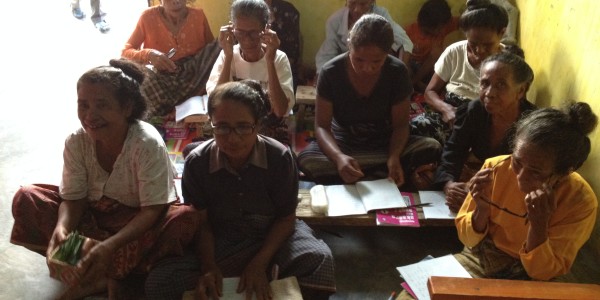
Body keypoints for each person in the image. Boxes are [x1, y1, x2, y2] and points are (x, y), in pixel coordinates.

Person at [9, 59, 199, 299]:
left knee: (184, 220)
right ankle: (102, 276)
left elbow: (152, 210)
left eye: (102, 105)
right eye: (83, 105)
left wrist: (110, 246)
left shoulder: (146, 143)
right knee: (27, 198)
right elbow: (74, 198)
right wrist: (62, 228)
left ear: (127, 107)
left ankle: (106, 276)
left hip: (137, 223)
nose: (90, 115)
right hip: (93, 217)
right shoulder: (77, 142)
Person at [145, 82, 336, 300]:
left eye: (244, 127)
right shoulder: (198, 162)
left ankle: (258, 273)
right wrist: (209, 267)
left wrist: (258, 263)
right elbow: (202, 223)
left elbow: (285, 219)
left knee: (319, 259)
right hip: (220, 239)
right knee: (159, 281)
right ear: (211, 125)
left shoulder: (279, 158)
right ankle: (261, 277)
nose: (233, 138)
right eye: (223, 127)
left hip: (270, 234)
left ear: (258, 125)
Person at [453, 101, 598, 281]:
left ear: (565, 172)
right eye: (517, 162)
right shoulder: (494, 169)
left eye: (536, 172)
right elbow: (467, 239)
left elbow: (544, 272)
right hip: (481, 257)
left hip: (531, 275)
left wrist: (539, 225)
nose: (520, 177)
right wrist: (482, 209)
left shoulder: (580, 201)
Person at [297, 14, 441, 188]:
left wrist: (394, 156)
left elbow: (401, 126)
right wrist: (338, 157)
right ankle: (377, 174)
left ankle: (363, 173)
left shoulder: (397, 72)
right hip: (344, 141)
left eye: (376, 61)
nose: (367, 68)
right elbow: (321, 126)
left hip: (384, 141)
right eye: (358, 59)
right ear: (349, 46)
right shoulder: (331, 72)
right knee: (308, 159)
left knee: (431, 147)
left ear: (388, 53)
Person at [434, 52, 536, 212]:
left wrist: (478, 195)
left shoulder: (532, 125)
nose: (489, 92)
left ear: (521, 90)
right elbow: (454, 150)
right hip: (482, 185)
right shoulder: (475, 111)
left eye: (501, 85)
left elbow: (528, 177)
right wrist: (449, 185)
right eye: (485, 83)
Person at [414, 0, 508, 144]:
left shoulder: (509, 63)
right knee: (414, 129)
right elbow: (430, 92)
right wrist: (446, 109)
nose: (479, 51)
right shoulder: (455, 51)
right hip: (450, 113)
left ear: (502, 33)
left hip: (484, 119)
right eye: (473, 44)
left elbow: (510, 107)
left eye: (487, 45)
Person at [122, 0, 220, 117]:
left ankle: (182, 105)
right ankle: (176, 106)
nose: (176, 1)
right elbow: (125, 52)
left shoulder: (198, 16)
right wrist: (149, 55)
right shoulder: (147, 17)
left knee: (220, 46)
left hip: (194, 77)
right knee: (144, 81)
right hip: (162, 80)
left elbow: (211, 53)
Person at [207, 0, 294, 119]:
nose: (247, 40)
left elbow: (280, 111)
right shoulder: (227, 55)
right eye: (240, 33)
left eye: (253, 33)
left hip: (267, 126)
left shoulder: (278, 58)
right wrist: (228, 58)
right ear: (232, 29)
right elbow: (216, 106)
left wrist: (270, 61)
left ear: (266, 29)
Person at [315, 0, 414, 73]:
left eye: (363, 4)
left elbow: (405, 42)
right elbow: (326, 56)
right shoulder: (335, 21)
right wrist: (322, 77)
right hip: (349, 72)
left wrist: (400, 73)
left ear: (372, 2)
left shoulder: (381, 15)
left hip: (376, 72)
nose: (357, 9)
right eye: (352, 3)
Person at [405, 0, 459, 92]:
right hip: (413, 65)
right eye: (439, 28)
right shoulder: (411, 31)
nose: (442, 31)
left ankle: (418, 85)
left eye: (444, 27)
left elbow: (464, 20)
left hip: (429, 69)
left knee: (438, 55)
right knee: (406, 69)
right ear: (428, 27)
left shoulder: (444, 25)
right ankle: (415, 84)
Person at [265, 0, 301, 90]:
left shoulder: (288, 11)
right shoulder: (244, 9)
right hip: (250, 63)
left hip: (282, 65)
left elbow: (293, 49)